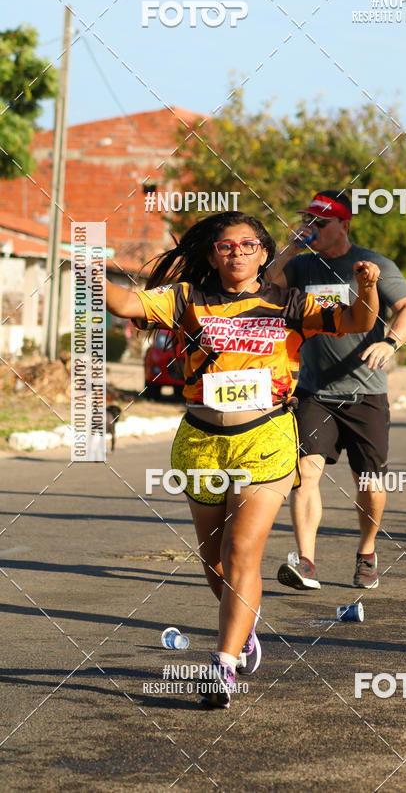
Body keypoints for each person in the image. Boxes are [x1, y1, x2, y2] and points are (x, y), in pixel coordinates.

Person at [105, 211, 380, 708]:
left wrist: (366, 287)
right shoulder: (187, 297)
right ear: (213, 254)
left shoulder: (291, 302)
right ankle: (244, 627)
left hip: (266, 437)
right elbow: (125, 302)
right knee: (212, 560)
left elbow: (359, 320)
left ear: (263, 252)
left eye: (248, 245)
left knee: (241, 554)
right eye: (227, 247)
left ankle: (223, 665)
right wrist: (88, 269)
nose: (237, 254)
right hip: (201, 440)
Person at [266, 191, 406, 590]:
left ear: (344, 225)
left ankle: (367, 551)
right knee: (305, 472)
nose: (311, 229)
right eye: (308, 222)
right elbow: (264, 287)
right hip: (314, 390)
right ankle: (305, 562)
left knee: (369, 484)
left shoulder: (372, 264)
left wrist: (390, 342)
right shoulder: (301, 266)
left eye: (321, 223)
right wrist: (287, 248)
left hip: (365, 391)